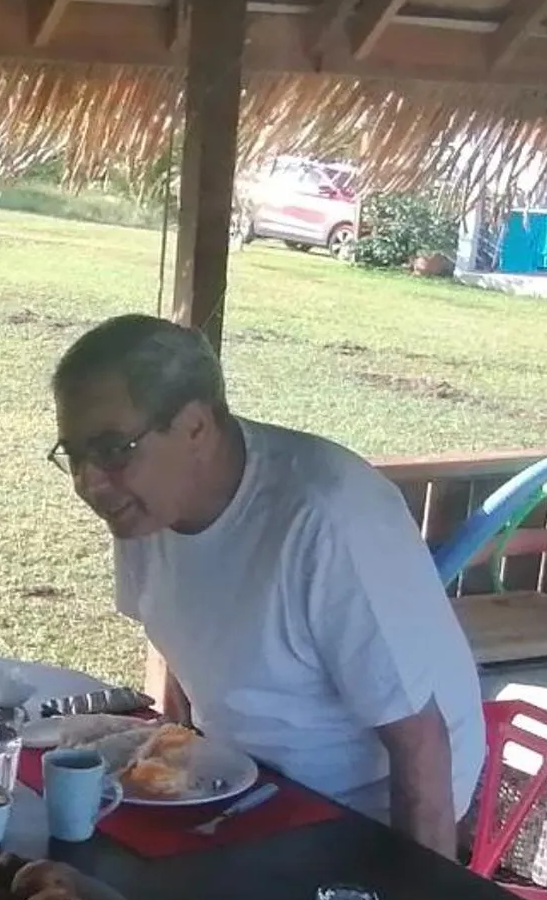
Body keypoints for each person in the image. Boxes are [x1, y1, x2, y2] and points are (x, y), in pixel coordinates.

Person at [49, 315, 486, 853]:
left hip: (359, 822)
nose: (87, 482)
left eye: (113, 449)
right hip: (235, 790)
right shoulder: (145, 506)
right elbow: (177, 642)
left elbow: (421, 742)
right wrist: (170, 771)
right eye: (73, 454)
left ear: (195, 428)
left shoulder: (328, 515)